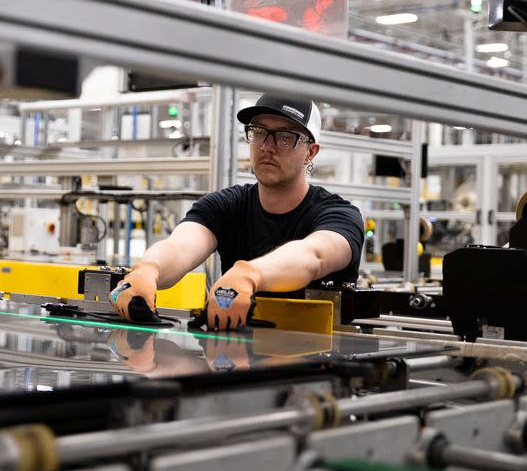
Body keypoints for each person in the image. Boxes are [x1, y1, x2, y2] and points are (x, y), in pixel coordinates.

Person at [110, 93, 364, 330]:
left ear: (310, 152)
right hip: (236, 363)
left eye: (285, 136)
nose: (267, 146)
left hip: (319, 366)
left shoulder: (339, 215)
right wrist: (148, 269)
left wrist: (249, 274)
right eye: (259, 132)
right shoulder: (227, 205)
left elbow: (314, 257)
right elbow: (181, 246)